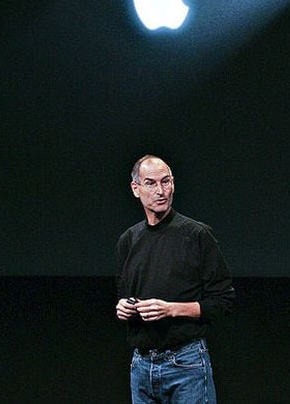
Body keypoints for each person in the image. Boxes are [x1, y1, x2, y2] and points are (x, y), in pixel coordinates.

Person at [116, 154, 235, 404]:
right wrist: (123, 307)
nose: (161, 191)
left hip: (186, 363)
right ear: (136, 189)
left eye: (166, 182)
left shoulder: (196, 235)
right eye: (151, 183)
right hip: (141, 366)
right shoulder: (129, 240)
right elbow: (125, 295)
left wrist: (170, 310)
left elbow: (223, 302)